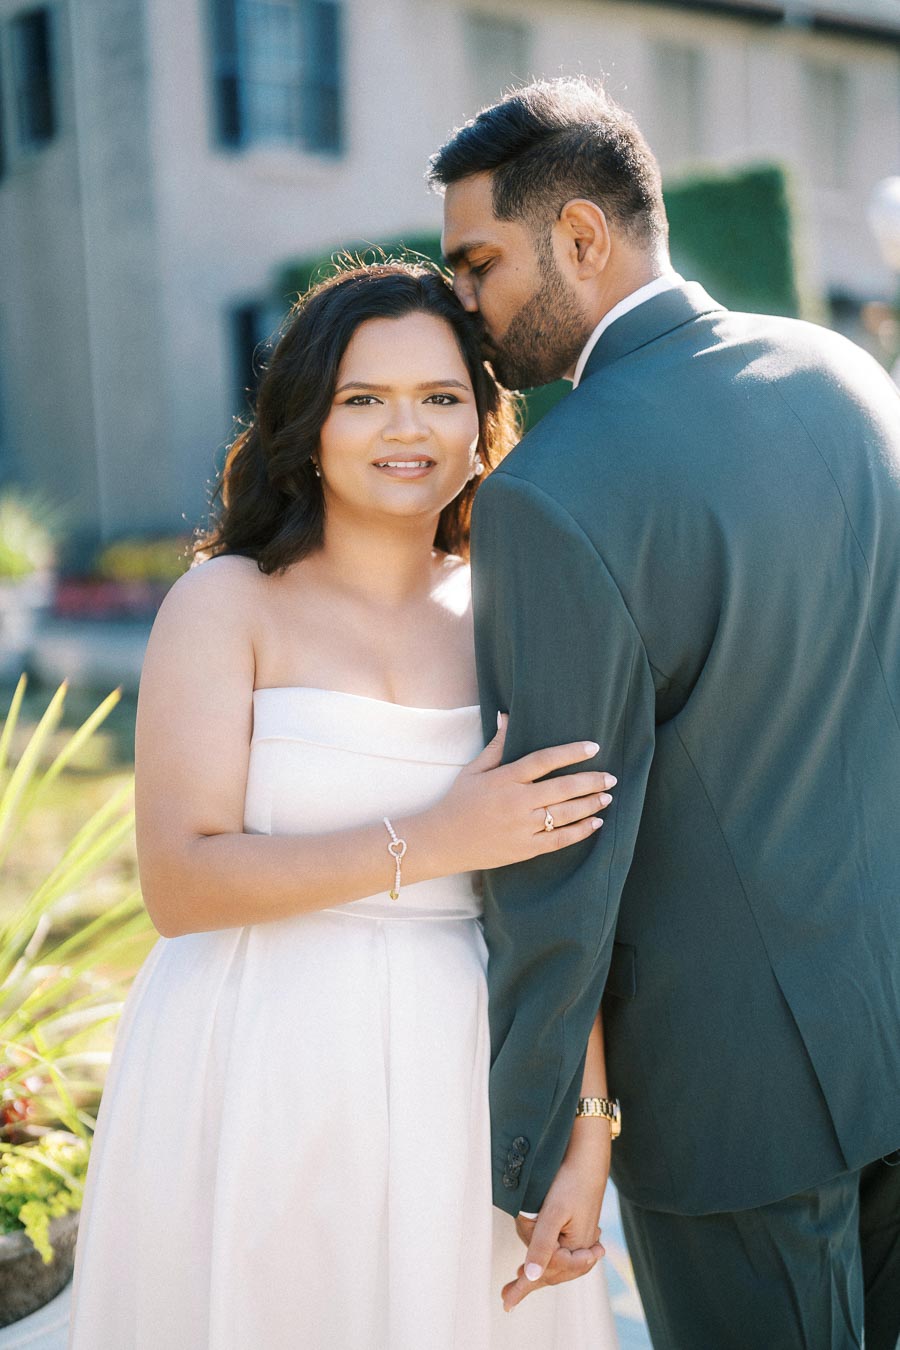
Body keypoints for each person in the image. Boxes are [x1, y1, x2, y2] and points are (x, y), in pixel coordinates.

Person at [65, 261, 623, 1350]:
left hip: (460, 1072)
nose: (402, 428)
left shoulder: (518, 613)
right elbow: (180, 881)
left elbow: (567, 890)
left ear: (482, 422)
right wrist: (440, 838)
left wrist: (589, 1132)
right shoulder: (225, 605)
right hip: (251, 1052)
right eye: (362, 399)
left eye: (439, 397)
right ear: (307, 422)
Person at [431, 77, 900, 1348]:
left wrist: (548, 1142)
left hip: (732, 1111)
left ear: (582, 236)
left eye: (477, 263)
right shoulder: (849, 377)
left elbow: (555, 847)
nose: (462, 305)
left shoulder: (551, 488)